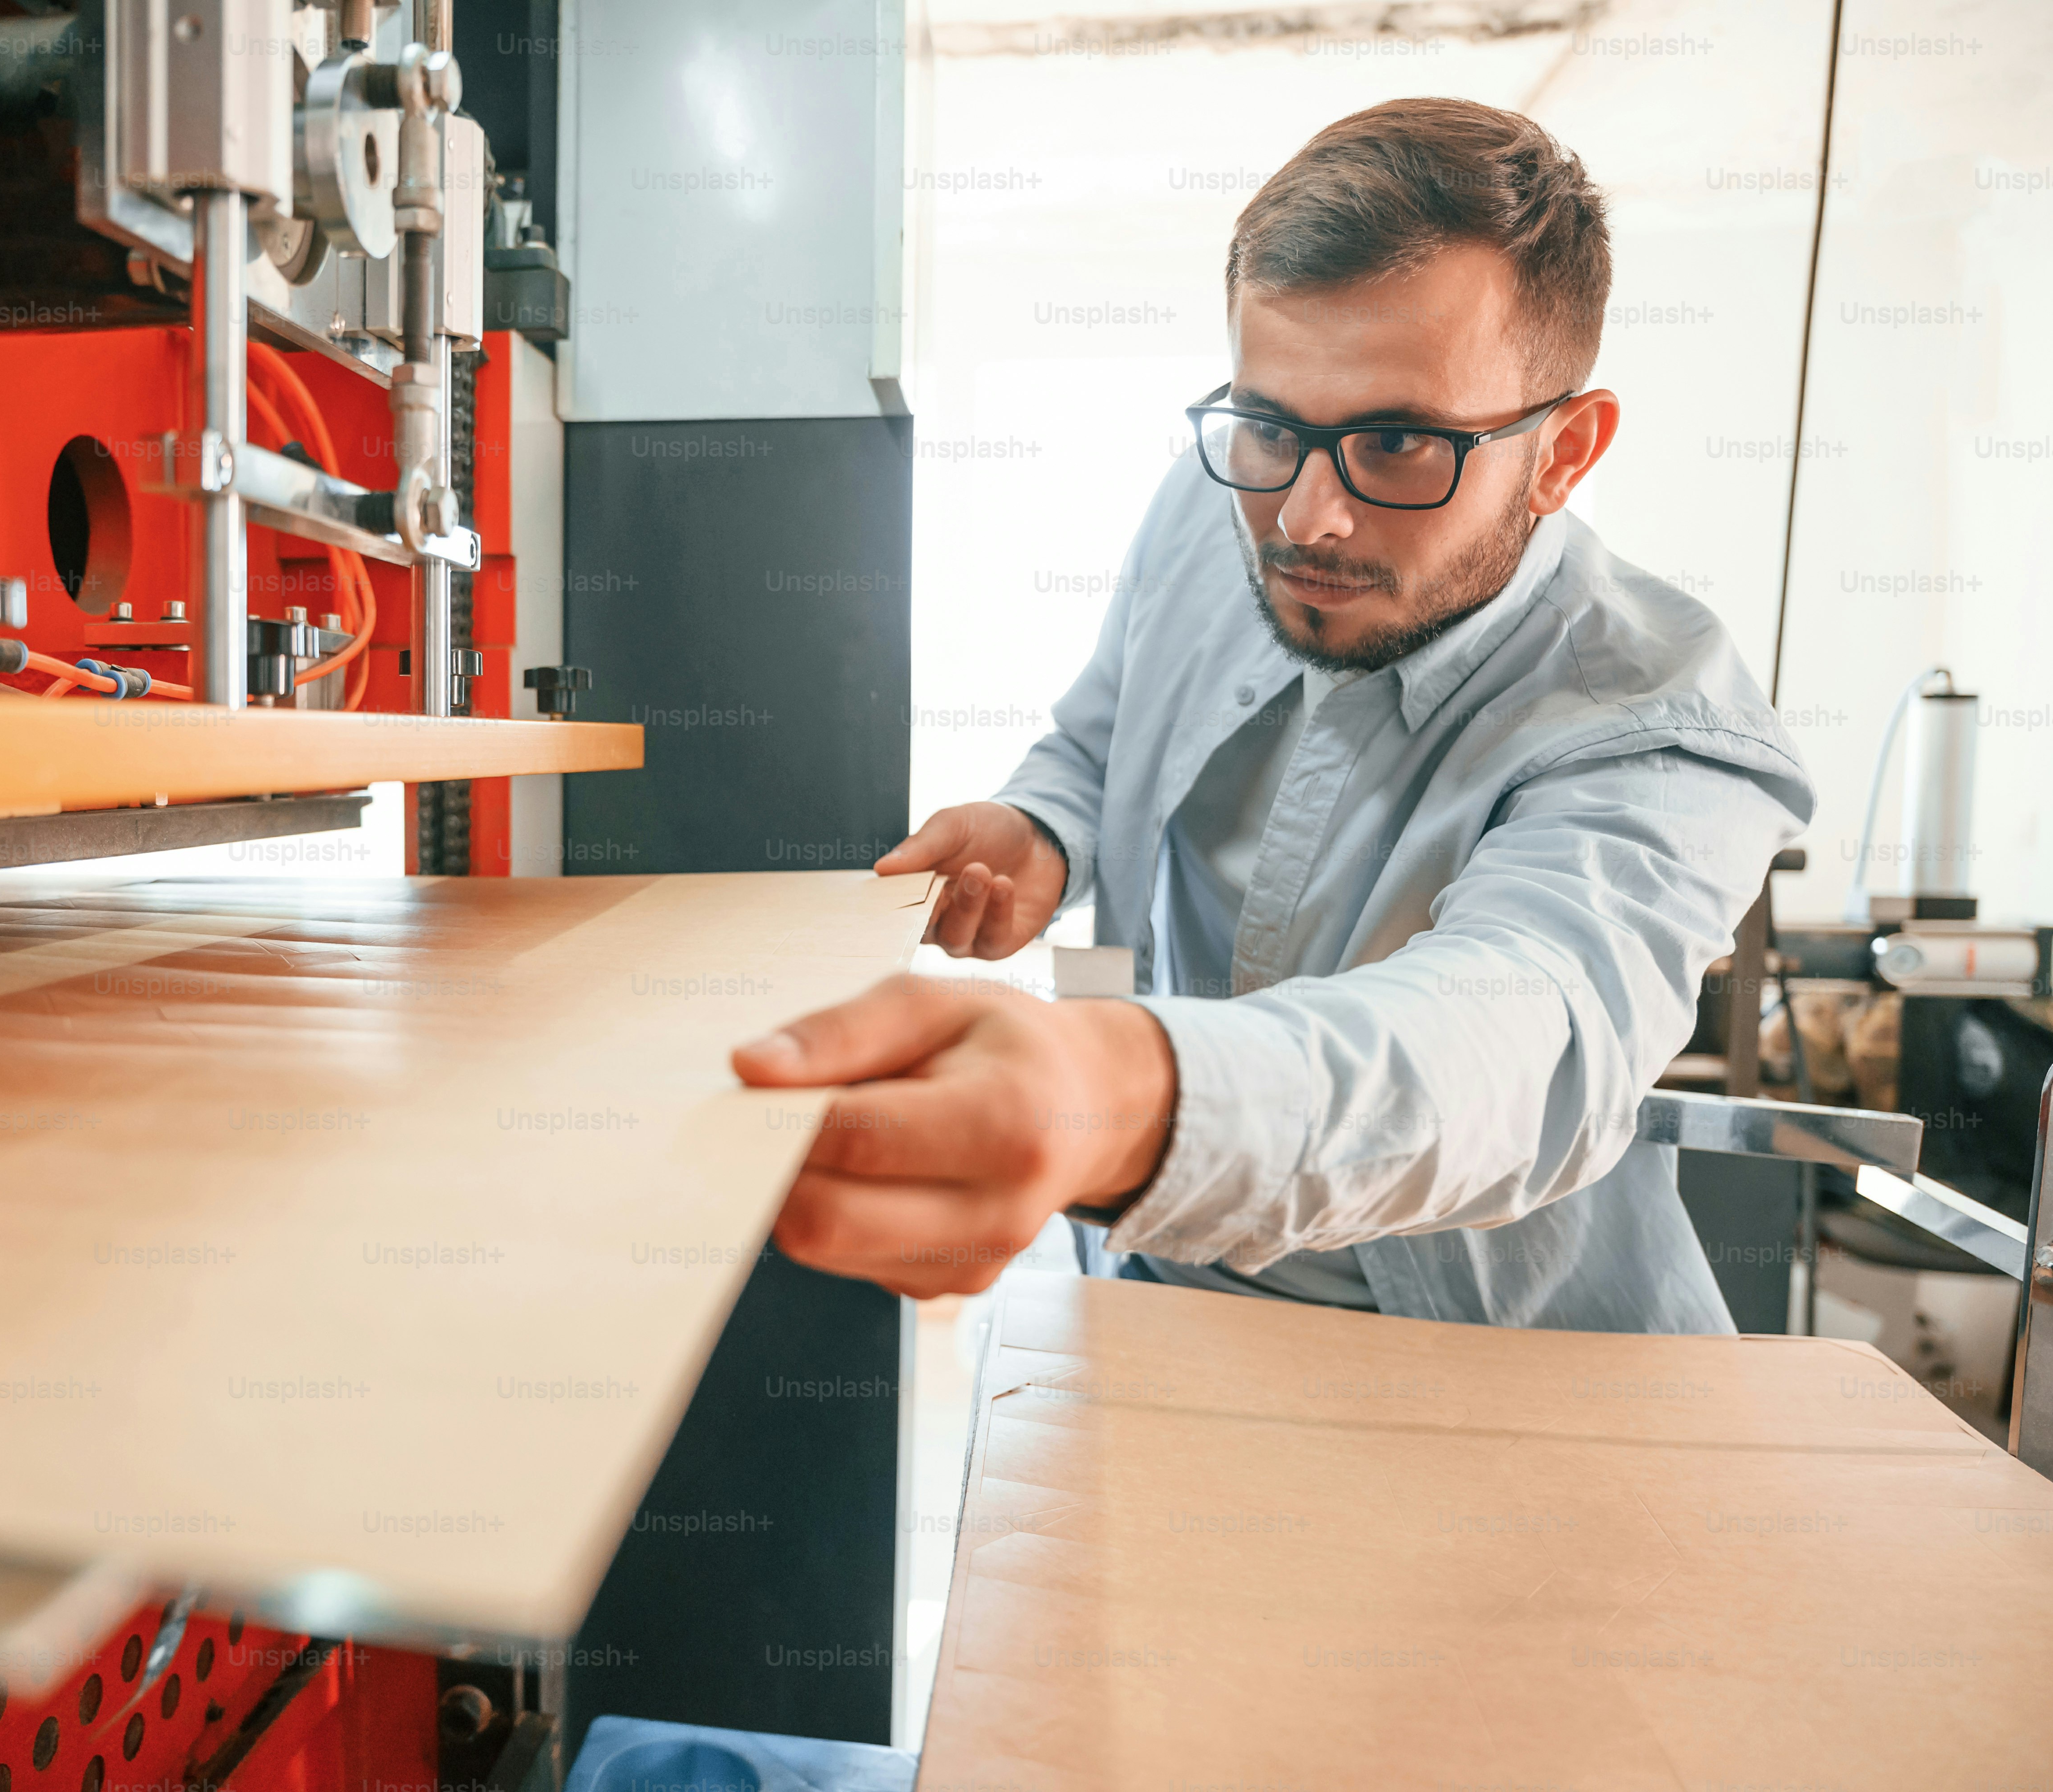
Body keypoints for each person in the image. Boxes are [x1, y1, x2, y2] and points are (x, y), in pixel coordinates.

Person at [732, 97, 1810, 1332]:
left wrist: (1113, 1091)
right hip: (1157, 1302)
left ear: (1564, 453)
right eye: (1269, 422)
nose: (1305, 520)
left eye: (1399, 441)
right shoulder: (1217, 505)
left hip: (1490, 1384)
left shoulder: (1663, 722)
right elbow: (1099, 733)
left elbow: (1511, 1048)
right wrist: (1042, 827)